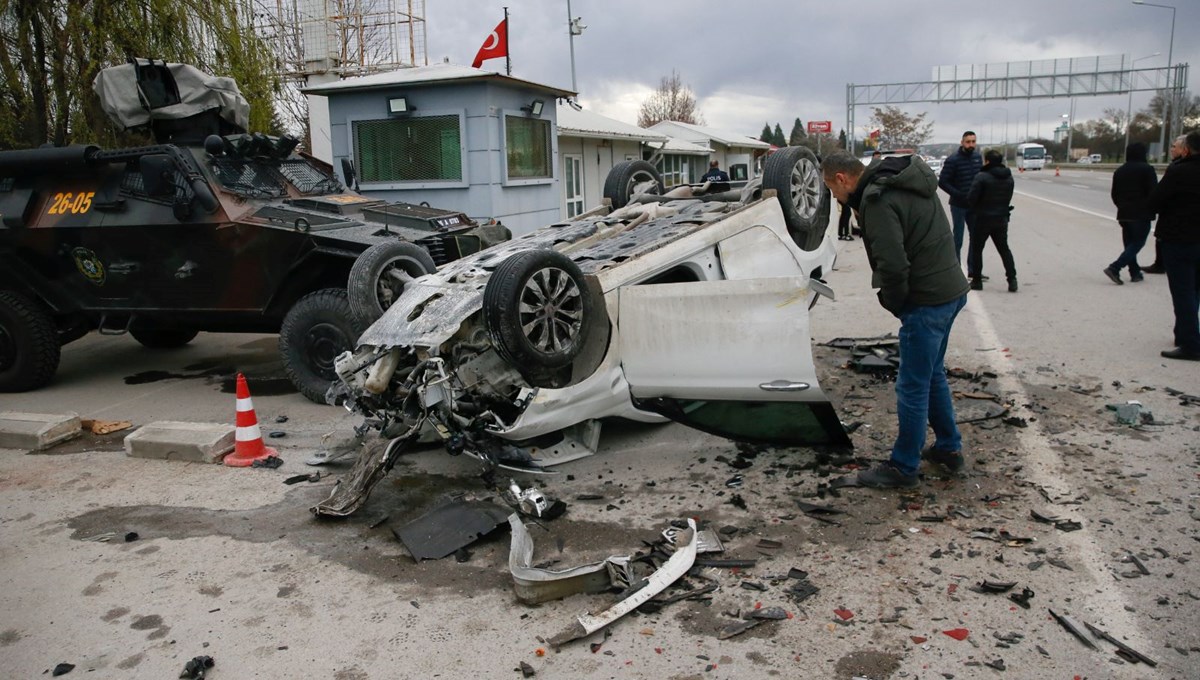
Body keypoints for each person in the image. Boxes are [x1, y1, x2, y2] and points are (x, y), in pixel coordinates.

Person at [822, 150, 971, 488]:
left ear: (842, 179)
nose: (835, 197)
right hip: (950, 291)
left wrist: (897, 304)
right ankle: (949, 449)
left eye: (832, 190)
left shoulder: (877, 199)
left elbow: (893, 264)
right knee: (931, 375)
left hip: (928, 301)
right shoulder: (905, 179)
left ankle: (903, 467)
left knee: (912, 385)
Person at [1148, 130, 1200, 361]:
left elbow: (1155, 201)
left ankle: (1190, 343)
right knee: (1195, 290)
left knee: (1183, 292)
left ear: (1186, 150)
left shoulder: (1179, 171)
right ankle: (1186, 334)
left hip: (1180, 239)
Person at [1104, 142, 1158, 284]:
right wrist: (1152, 208)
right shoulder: (1147, 170)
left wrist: (1121, 206)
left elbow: (1114, 193)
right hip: (1141, 212)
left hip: (1124, 212)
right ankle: (1115, 267)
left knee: (1130, 244)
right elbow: (1154, 192)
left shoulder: (1120, 171)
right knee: (1138, 243)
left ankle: (1135, 272)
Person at [966, 149, 1018, 292]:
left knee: (977, 249)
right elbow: (1008, 197)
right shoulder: (1009, 177)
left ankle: (977, 281)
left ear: (987, 161)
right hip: (1001, 218)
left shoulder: (981, 177)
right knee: (1004, 249)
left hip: (982, 218)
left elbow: (971, 198)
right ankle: (1012, 279)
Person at [938, 131, 983, 277]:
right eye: (968, 142)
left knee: (975, 237)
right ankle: (956, 270)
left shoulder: (977, 158)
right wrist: (958, 194)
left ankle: (973, 270)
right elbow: (943, 182)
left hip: (974, 205)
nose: (971, 145)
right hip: (958, 204)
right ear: (962, 142)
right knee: (957, 238)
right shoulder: (953, 160)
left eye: (973, 142)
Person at [1144, 135, 1190, 274]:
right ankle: (1160, 263)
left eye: (1174, 147)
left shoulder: (1178, 169)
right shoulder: (1178, 166)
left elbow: (1160, 195)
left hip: (1176, 221)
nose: (1171, 149)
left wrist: (1154, 207)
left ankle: (1161, 264)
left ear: (1185, 149)